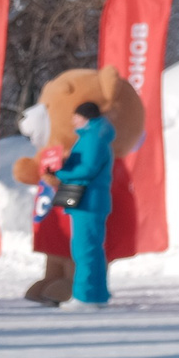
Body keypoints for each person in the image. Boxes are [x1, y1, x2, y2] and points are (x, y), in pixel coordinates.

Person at [52, 99, 115, 308]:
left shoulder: (93, 139)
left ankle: (84, 296)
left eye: (76, 116)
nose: (73, 120)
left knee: (84, 249)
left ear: (86, 118)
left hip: (88, 201)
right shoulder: (92, 137)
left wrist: (60, 172)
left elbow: (87, 169)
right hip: (90, 201)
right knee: (91, 249)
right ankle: (96, 295)